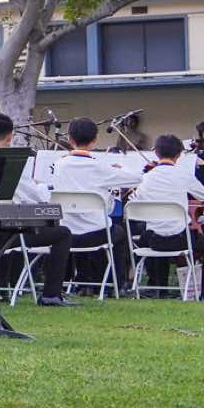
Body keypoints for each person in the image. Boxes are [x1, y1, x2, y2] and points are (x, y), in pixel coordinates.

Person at [0, 113, 70, 304]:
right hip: (4, 236)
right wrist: (41, 185)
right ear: (10, 136)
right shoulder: (11, 163)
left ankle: (0, 288)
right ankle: (51, 294)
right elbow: (36, 197)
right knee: (62, 233)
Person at [49, 117, 140, 291]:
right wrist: (121, 168)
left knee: (81, 222)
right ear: (95, 140)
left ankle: (83, 281)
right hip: (96, 235)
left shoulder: (59, 165)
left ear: (70, 139)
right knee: (119, 232)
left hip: (67, 233)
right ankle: (114, 285)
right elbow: (137, 178)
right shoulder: (99, 167)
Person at [128, 133, 204, 294]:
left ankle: (160, 290)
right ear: (179, 155)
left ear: (156, 153)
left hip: (155, 241)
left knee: (150, 233)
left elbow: (133, 201)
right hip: (181, 240)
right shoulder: (183, 175)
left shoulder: (146, 178)